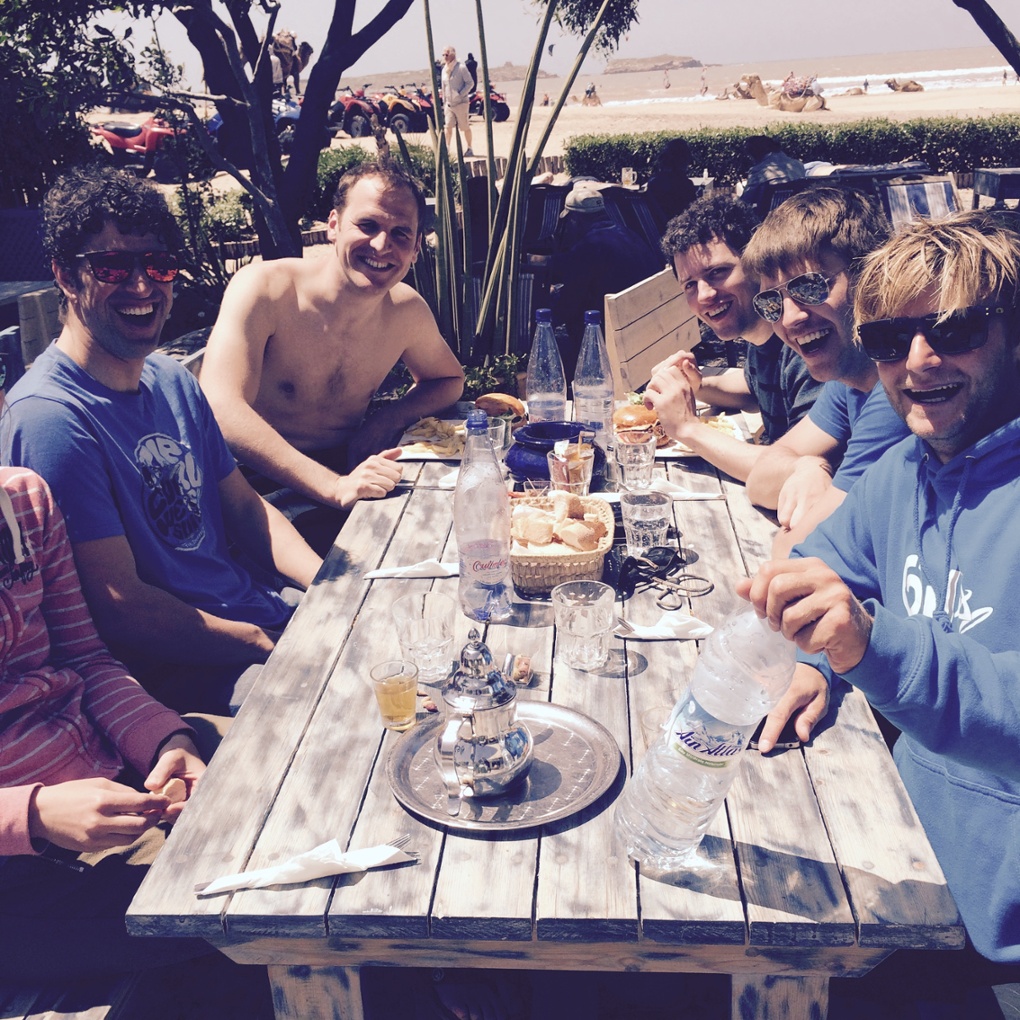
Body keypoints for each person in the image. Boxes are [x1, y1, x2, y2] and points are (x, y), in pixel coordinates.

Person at [742, 210, 1020, 987]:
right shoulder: (908, 469)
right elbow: (825, 565)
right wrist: (817, 663)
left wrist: (870, 645)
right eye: (891, 342)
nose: (919, 361)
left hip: (999, 951)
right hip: (907, 882)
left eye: (955, 330)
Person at [5, 165, 322, 715]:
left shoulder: (171, 379)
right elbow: (123, 609)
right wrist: (268, 643)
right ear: (65, 276)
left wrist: (328, 585)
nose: (142, 286)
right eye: (112, 266)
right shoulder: (50, 419)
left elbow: (245, 508)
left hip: (256, 610)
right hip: (178, 672)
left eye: (159, 263)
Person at [0, 458, 221, 982]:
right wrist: (32, 812)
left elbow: (82, 656)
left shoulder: (23, 498)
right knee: (248, 889)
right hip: (22, 866)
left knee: (298, 768)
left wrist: (164, 740)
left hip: (107, 774)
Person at [199, 162, 464, 556]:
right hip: (253, 487)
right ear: (334, 225)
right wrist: (333, 487)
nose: (381, 246)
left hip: (348, 473)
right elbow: (220, 407)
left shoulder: (405, 311)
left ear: (415, 250)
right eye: (368, 225)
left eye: (400, 233)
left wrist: (384, 421)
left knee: (453, 534)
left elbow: (448, 380)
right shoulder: (268, 289)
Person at [740, 187, 909, 556]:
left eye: (810, 287)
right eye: (771, 301)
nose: (790, 318)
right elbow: (760, 479)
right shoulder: (850, 379)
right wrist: (809, 467)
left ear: (871, 275)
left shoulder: (899, 386)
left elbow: (795, 551)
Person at [644, 194, 823, 482]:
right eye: (690, 285)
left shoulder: (807, 344)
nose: (704, 295)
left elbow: (796, 472)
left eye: (717, 272)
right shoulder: (762, 339)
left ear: (756, 262)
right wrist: (695, 384)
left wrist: (687, 427)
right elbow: (754, 391)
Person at [548, 185, 663, 381]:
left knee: (569, 320)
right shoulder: (628, 233)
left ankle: (583, 375)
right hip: (646, 323)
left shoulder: (587, 247)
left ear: (575, 219)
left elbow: (568, 305)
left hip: (615, 333)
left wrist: (543, 317)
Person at [643, 137, 698, 225]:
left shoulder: (653, 183)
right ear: (684, 160)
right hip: (679, 228)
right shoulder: (684, 184)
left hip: (658, 228)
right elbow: (694, 214)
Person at [440, 44, 475, 156]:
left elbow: (470, 83)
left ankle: (469, 148)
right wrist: (444, 102)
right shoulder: (444, 70)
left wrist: (460, 94)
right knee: (448, 126)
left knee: (464, 127)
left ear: (452, 55)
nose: (444, 57)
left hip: (461, 104)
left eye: (446, 55)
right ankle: (447, 148)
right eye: (443, 55)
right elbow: (444, 86)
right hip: (449, 104)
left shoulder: (461, 68)